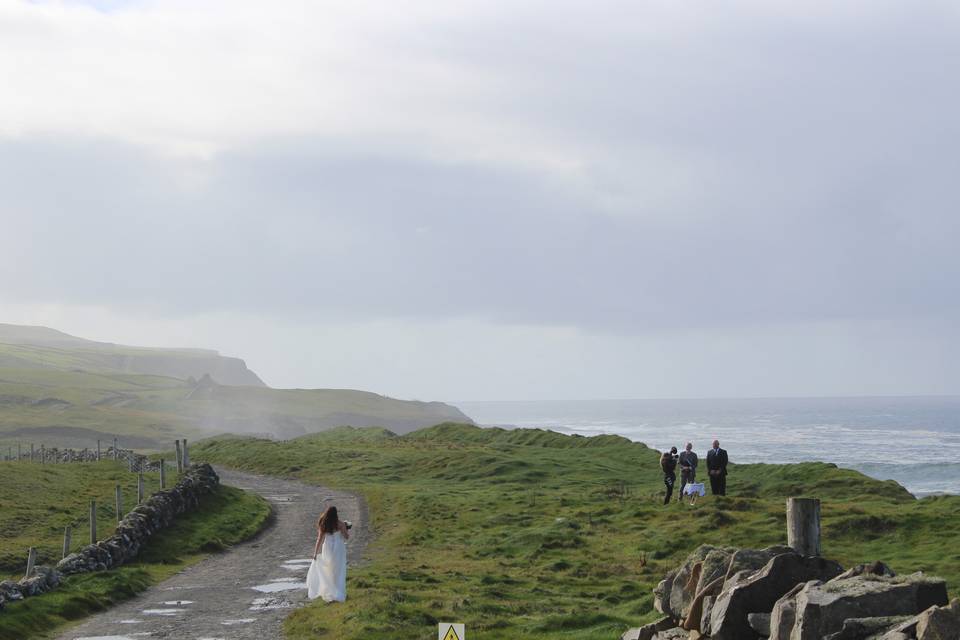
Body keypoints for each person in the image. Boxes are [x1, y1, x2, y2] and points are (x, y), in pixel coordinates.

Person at [307, 505, 350, 602]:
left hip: (328, 548)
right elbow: (346, 537)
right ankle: (338, 591)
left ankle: (331, 590)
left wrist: (315, 553)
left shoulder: (324, 524)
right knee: (338, 570)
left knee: (328, 569)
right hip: (338, 548)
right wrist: (346, 528)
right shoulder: (340, 524)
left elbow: (319, 539)